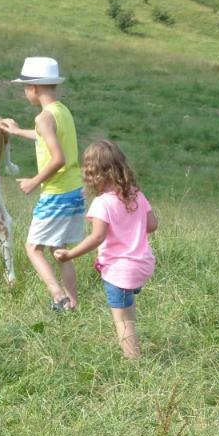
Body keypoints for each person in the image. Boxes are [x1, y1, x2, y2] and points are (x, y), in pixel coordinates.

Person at [54, 140, 157, 358]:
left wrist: (70, 254)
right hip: (144, 265)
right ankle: (133, 346)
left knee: (123, 321)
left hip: (120, 271)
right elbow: (152, 225)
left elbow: (97, 236)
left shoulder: (102, 203)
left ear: (93, 173)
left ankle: (135, 365)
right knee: (128, 311)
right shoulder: (136, 194)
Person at [0, 57, 85, 313]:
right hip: (74, 190)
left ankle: (58, 297)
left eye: (25, 87)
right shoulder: (62, 111)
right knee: (60, 251)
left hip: (56, 193)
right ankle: (73, 303)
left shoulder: (43, 117)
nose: (25, 92)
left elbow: (58, 158)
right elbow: (44, 137)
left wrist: (33, 182)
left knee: (33, 247)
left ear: (34, 88)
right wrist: (16, 131)